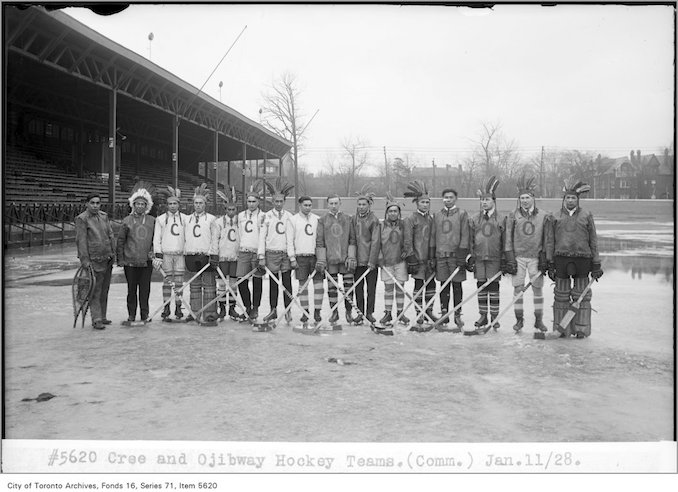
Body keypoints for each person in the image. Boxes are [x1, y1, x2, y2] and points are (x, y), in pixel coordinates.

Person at [546, 178, 603, 338]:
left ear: (578, 200)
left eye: (573, 198)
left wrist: (596, 263)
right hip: (561, 259)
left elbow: (593, 239)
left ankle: (581, 328)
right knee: (561, 295)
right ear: (563, 199)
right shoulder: (554, 216)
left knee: (581, 295)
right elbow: (550, 241)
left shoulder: (586, 215)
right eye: (568, 198)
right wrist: (550, 262)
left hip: (583, 259)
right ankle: (561, 328)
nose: (570, 200)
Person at [505, 174, 551, 333]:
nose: (524, 200)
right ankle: (519, 320)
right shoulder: (513, 215)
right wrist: (509, 258)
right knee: (518, 288)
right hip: (518, 257)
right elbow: (508, 238)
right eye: (522, 197)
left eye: (527, 197)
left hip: (536, 258)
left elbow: (547, 239)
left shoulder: (543, 215)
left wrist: (545, 258)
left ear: (533, 198)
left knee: (537, 288)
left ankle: (538, 320)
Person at [466, 176, 510, 335]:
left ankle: (494, 316)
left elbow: (506, 240)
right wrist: (470, 256)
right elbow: (470, 238)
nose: (484, 202)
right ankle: (483, 315)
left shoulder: (502, 218)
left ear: (494, 201)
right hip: (479, 257)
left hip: (495, 257)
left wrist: (506, 258)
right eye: (482, 200)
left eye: (487, 200)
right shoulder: (474, 218)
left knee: (493, 286)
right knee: (481, 285)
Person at [116, 182, 156, 325]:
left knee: (145, 290)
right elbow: (120, 240)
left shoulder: (152, 221)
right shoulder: (126, 221)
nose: (140, 206)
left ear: (147, 206)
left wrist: (154, 253)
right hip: (130, 261)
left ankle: (144, 315)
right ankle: (131, 315)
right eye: (137, 204)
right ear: (133, 205)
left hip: (146, 261)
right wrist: (120, 259)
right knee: (131, 290)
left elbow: (155, 240)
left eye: (142, 204)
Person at [75, 192, 116, 330]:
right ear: (86, 204)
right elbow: (81, 241)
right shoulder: (82, 219)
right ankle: (96, 318)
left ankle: (103, 316)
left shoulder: (104, 216)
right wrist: (85, 261)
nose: (95, 206)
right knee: (95, 290)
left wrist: (113, 252)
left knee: (105, 289)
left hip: (107, 257)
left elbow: (110, 234)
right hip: (93, 259)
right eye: (92, 203)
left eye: (98, 203)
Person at [431, 187, 469, 330]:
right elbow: (433, 236)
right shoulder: (437, 215)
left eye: (450, 197)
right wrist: (432, 255)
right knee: (443, 285)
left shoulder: (462, 214)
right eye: (445, 197)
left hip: (456, 257)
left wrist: (462, 256)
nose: (447, 200)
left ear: (455, 199)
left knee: (457, 285)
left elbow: (465, 235)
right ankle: (444, 313)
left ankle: (457, 314)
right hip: (441, 256)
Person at [315, 194, 357, 324]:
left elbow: (352, 239)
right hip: (330, 259)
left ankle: (349, 312)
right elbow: (320, 241)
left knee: (348, 287)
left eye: (336, 203)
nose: (333, 206)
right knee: (332, 288)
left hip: (345, 260)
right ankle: (334, 312)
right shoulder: (322, 220)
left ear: (340, 203)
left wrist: (351, 256)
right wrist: (321, 259)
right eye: (331, 203)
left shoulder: (348, 219)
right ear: (328, 204)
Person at [259, 178, 295, 323]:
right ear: (272, 201)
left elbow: (290, 239)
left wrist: (292, 257)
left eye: (281, 201)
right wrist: (261, 255)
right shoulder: (266, 217)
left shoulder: (289, 217)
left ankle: (288, 310)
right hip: (271, 254)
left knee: (287, 283)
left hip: (285, 254)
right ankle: (273, 310)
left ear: (284, 202)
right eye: (276, 201)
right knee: (273, 284)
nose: (278, 204)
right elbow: (262, 237)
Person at [403, 180, 438, 325]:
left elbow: (435, 238)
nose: (425, 204)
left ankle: (429, 311)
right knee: (419, 285)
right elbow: (407, 239)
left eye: (427, 202)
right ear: (417, 203)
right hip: (417, 259)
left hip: (429, 259)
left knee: (431, 286)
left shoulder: (431, 219)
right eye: (422, 202)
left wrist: (434, 257)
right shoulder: (411, 219)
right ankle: (419, 312)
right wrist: (411, 257)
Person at [183, 183, 218, 326]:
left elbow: (215, 238)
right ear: (193, 204)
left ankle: (209, 313)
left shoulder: (211, 219)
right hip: (191, 255)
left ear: (205, 204)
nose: (198, 206)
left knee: (209, 285)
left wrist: (213, 254)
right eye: (196, 203)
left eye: (201, 203)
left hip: (205, 255)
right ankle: (195, 312)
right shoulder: (187, 219)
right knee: (194, 286)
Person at [210, 187, 246, 321]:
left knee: (233, 284)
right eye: (228, 210)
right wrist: (214, 255)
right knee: (221, 284)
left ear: (236, 210)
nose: (231, 212)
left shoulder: (241, 223)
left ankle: (231, 308)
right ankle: (222, 308)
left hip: (235, 257)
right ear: (225, 210)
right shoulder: (218, 223)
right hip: (223, 256)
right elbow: (214, 239)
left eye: (233, 210)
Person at [153, 186, 189, 322]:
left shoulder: (185, 219)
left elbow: (187, 237)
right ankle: (166, 306)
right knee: (167, 282)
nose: (172, 206)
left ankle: (178, 307)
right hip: (167, 253)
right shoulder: (161, 219)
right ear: (167, 205)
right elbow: (157, 238)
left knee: (179, 282)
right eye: (170, 204)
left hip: (179, 254)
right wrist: (158, 255)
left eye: (175, 203)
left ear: (179, 204)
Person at [288, 195, 324, 325]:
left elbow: (321, 240)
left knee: (319, 286)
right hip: (301, 257)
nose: (308, 207)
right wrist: (292, 258)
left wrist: (321, 257)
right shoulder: (293, 220)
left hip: (315, 256)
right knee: (302, 287)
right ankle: (305, 312)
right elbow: (289, 241)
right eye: (305, 205)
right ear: (300, 206)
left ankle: (317, 312)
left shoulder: (317, 219)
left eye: (310, 205)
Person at [377, 193, 409, 325]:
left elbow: (408, 239)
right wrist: (379, 257)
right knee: (388, 288)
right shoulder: (381, 226)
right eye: (390, 211)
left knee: (400, 288)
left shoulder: (404, 224)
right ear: (386, 213)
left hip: (400, 261)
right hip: (386, 261)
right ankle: (388, 313)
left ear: (399, 212)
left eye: (395, 211)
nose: (393, 213)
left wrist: (407, 250)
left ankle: (400, 313)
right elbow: (377, 242)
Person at [351, 185, 380, 324]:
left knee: (371, 288)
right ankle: (360, 313)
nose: (361, 207)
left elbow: (376, 241)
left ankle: (369, 312)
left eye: (364, 204)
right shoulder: (354, 219)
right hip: (357, 260)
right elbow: (351, 238)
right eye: (359, 204)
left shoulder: (374, 220)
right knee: (358, 288)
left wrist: (372, 260)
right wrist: (351, 257)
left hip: (370, 261)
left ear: (369, 205)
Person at [236, 183, 266, 321]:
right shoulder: (241, 216)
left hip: (257, 252)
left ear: (258, 202)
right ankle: (247, 306)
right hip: (244, 251)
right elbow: (239, 234)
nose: (251, 204)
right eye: (249, 201)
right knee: (241, 281)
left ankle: (255, 309)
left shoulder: (263, 216)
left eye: (254, 201)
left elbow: (263, 236)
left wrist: (261, 254)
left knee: (257, 282)